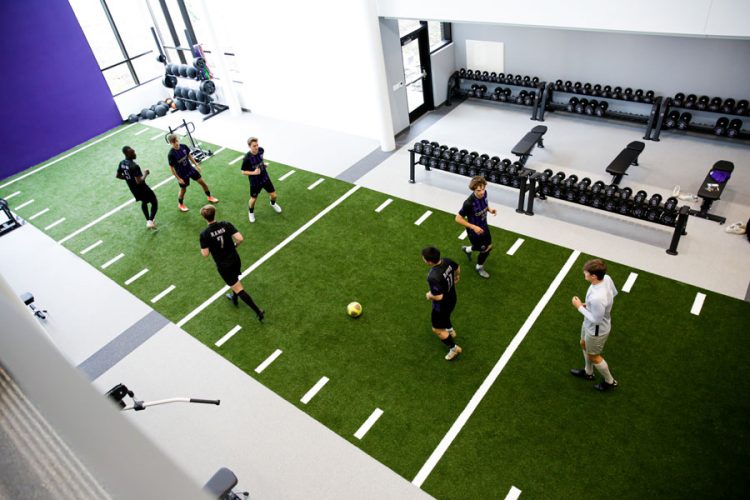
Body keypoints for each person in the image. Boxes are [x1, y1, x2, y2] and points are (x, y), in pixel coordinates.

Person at [199, 205, 264, 321]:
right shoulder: (225, 224)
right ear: (214, 214)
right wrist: (234, 246)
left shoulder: (204, 234)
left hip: (223, 265)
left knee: (238, 288)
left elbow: (205, 254)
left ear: (204, 218)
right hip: (235, 258)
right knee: (235, 280)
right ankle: (234, 298)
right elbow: (240, 238)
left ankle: (258, 311)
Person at [570, 258, 619, 391]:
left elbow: (597, 320)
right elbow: (614, 293)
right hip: (590, 323)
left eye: (586, 273)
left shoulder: (598, 297)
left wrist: (579, 307)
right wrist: (591, 306)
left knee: (594, 356)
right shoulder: (606, 278)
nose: (584, 275)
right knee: (583, 343)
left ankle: (610, 381)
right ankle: (588, 372)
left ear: (594, 276)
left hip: (596, 329)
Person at [422, 246, 462, 361]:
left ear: (429, 262)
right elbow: (457, 267)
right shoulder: (447, 261)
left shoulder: (433, 277)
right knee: (447, 315)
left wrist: (429, 295)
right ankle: (450, 330)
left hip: (441, 306)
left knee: (437, 329)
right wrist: (457, 276)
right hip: (452, 297)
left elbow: (439, 296)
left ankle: (454, 348)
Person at [455, 175, 497, 279]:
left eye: (483, 189)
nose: (482, 192)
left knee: (489, 247)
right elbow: (458, 218)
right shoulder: (468, 203)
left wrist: (490, 210)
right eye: (479, 190)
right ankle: (479, 267)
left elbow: (485, 204)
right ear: (474, 190)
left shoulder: (485, 194)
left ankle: (467, 250)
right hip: (474, 231)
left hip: (484, 226)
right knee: (483, 249)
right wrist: (473, 227)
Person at [167, 133, 219, 212]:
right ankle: (180, 204)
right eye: (174, 142)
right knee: (183, 190)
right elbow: (171, 168)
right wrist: (178, 178)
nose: (176, 143)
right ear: (170, 143)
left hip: (190, 169)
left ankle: (209, 197)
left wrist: (196, 165)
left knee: (203, 183)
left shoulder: (184, 146)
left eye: (177, 141)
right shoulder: (171, 154)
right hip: (182, 174)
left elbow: (189, 155)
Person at [116, 146, 158, 229]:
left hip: (133, 190)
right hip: (143, 189)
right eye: (133, 153)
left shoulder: (122, 163)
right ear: (127, 154)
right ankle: (150, 220)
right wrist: (146, 173)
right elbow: (139, 181)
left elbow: (118, 176)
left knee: (144, 201)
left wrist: (128, 178)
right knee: (154, 202)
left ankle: (148, 221)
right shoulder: (134, 166)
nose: (135, 154)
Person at [241, 137, 281, 223]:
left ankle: (272, 204)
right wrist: (254, 173)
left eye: (257, 145)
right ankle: (251, 212)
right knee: (253, 199)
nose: (256, 147)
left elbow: (260, 160)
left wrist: (263, 165)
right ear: (249, 146)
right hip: (255, 182)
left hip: (265, 178)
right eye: (254, 146)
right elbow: (243, 172)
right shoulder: (246, 158)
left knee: (274, 195)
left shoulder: (261, 150)